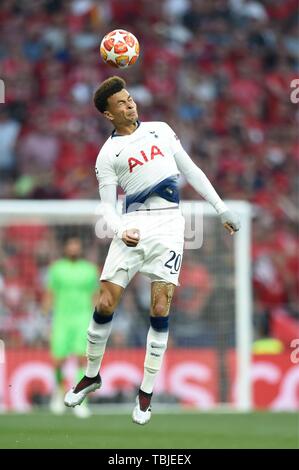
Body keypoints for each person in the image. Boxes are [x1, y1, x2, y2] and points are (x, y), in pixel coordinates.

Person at [64, 76, 240, 424]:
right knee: (105, 301)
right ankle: (91, 374)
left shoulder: (161, 129)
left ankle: (145, 394)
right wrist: (119, 230)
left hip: (172, 226)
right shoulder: (107, 155)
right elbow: (106, 208)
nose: (130, 105)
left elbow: (191, 169)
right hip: (133, 225)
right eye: (121, 104)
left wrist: (221, 208)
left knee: (161, 306)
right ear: (108, 114)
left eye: (130, 99)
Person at [43, 237, 98, 418]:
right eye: (71, 244)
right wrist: (45, 318)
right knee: (58, 360)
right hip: (61, 319)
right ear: (66, 247)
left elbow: (95, 296)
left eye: (77, 244)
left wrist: (98, 321)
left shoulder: (90, 270)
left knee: (83, 359)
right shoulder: (57, 268)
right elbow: (50, 294)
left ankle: (81, 399)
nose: (74, 247)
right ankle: (59, 393)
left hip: (83, 318)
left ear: (80, 248)